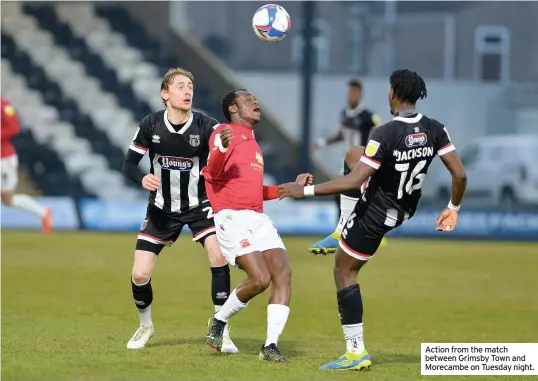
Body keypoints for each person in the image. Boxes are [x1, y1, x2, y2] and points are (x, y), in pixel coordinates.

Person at [278, 69, 467, 370]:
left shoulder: (386, 132)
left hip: (378, 213)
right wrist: (453, 207)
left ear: (393, 93)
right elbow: (459, 174)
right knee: (354, 153)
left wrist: (306, 190)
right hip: (406, 205)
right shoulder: (436, 129)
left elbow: (354, 182)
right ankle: (341, 230)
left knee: (343, 270)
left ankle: (355, 352)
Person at [122, 68, 238, 353]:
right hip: (161, 209)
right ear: (165, 94)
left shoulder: (205, 125)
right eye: (180, 86)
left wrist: (225, 144)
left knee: (218, 256)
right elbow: (128, 164)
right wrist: (141, 178)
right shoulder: (151, 125)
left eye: (190, 87)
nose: (188, 91)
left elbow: (225, 151)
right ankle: (146, 326)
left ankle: (221, 330)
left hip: (199, 205)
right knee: (139, 275)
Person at [201, 89, 312, 363]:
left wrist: (287, 189)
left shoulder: (251, 141)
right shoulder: (224, 132)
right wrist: (222, 148)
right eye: (247, 99)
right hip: (231, 217)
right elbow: (211, 174)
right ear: (233, 109)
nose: (255, 101)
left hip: (257, 217)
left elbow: (253, 191)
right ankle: (219, 320)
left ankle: (270, 346)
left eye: (255, 98)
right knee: (260, 279)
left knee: (283, 273)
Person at [309, 79, 384, 254]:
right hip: (348, 160)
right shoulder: (344, 114)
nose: (351, 95)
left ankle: (350, 232)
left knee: (355, 194)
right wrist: (321, 142)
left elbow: (380, 132)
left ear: (360, 94)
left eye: (354, 92)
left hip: (364, 161)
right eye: (349, 92)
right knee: (340, 194)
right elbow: (341, 135)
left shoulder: (368, 116)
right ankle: (343, 231)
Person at [1, 97, 52, 234]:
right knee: (7, 200)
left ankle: (44, 213)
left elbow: (14, 127)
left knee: (8, 199)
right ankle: (44, 213)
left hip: (4, 159)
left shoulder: (4, 105)